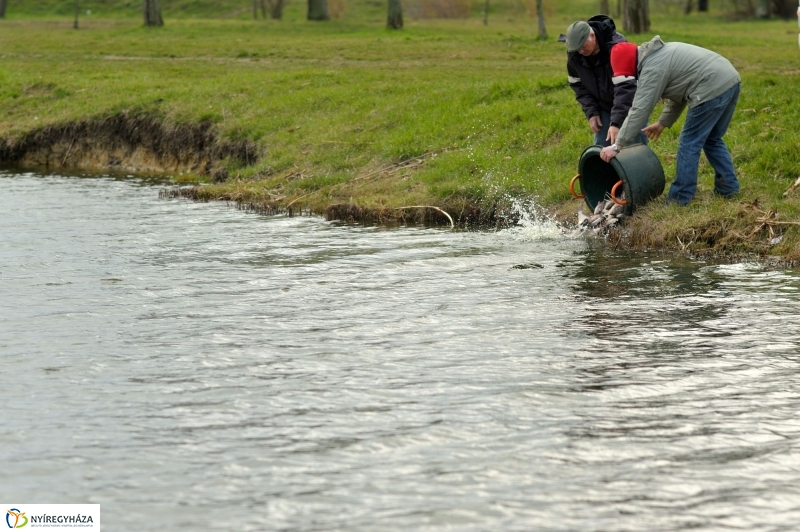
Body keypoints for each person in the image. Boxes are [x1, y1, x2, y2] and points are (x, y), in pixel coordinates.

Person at [599, 37, 741, 205]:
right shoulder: (657, 55)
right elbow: (679, 94)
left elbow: (640, 109)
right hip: (730, 79)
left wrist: (618, 146)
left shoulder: (652, 68)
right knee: (712, 139)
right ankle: (728, 188)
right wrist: (662, 123)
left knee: (689, 143)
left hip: (710, 86)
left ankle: (679, 198)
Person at [564, 15, 646, 147]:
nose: (580, 51)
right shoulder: (575, 53)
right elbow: (578, 86)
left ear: (592, 35)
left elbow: (626, 89)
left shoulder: (617, 47)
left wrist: (616, 123)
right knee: (602, 148)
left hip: (632, 103)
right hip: (603, 105)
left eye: (583, 46)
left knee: (633, 146)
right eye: (576, 49)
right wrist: (592, 112)